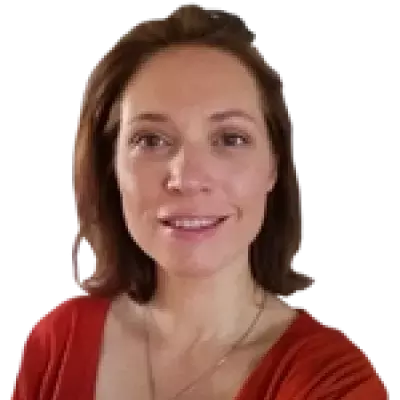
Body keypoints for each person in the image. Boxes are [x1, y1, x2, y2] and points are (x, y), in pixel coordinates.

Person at [10, 5, 389, 400]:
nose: (187, 178)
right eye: (151, 140)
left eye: (230, 139)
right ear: (111, 168)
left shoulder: (334, 382)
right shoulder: (54, 342)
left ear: (273, 167)